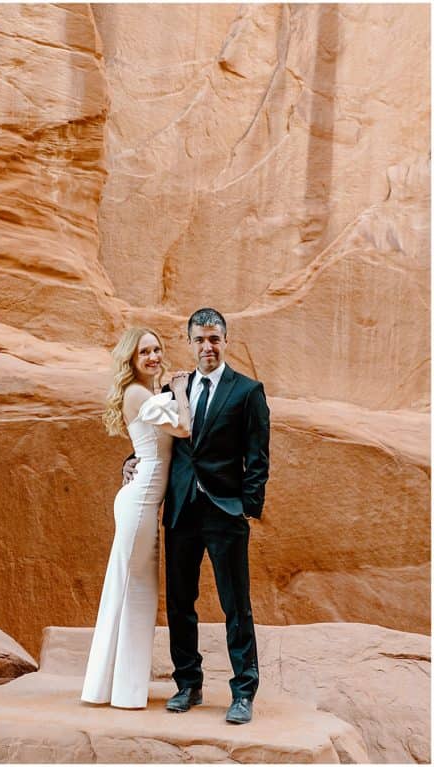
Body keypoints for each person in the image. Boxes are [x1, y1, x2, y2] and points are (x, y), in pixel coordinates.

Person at [124, 308, 270, 724]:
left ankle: (244, 691)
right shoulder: (175, 389)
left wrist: (246, 506)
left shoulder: (247, 391)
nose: (208, 346)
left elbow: (258, 457)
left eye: (215, 339)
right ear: (189, 343)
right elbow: (158, 437)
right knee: (180, 601)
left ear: (225, 341)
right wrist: (130, 460)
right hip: (182, 508)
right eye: (200, 340)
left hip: (225, 511)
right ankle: (188, 684)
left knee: (235, 603)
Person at [81, 328, 191, 708]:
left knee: (131, 589)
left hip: (141, 496)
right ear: (131, 359)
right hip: (140, 500)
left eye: (158, 349)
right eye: (145, 351)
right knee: (135, 590)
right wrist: (179, 389)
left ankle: (112, 688)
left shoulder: (146, 394)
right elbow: (183, 429)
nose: (154, 356)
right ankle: (124, 693)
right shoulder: (140, 393)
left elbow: (150, 446)